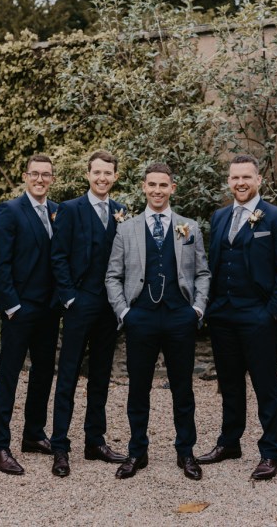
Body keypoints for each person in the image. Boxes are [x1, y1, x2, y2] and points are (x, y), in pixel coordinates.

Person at [197, 153, 277, 480]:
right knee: (229, 383)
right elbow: (214, 264)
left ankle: (271, 452)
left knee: (265, 384)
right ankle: (230, 442)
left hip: (258, 315)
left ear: (258, 180)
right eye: (234, 178)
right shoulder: (218, 217)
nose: (240, 183)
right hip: (223, 316)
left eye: (246, 177)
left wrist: (271, 313)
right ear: (229, 181)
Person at [105, 162, 211, 480]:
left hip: (180, 316)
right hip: (141, 318)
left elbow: (203, 273)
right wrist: (125, 312)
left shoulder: (189, 227)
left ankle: (186, 452)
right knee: (138, 389)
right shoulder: (126, 229)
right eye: (152, 184)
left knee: (183, 389)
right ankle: (137, 452)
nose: (157, 190)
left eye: (163, 185)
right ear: (143, 187)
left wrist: (196, 309)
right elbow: (113, 276)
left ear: (172, 188)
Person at [50, 150, 127, 477]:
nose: (102, 178)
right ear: (88, 174)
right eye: (97, 172)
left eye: (107, 173)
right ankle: (60, 446)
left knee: (100, 375)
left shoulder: (121, 211)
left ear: (115, 177)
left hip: (109, 308)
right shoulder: (69, 209)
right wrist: (69, 298)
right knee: (67, 376)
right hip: (79, 305)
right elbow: (58, 257)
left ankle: (95, 441)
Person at [0, 154, 60, 475]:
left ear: (52, 179)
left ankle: (33, 434)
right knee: (9, 375)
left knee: (44, 373)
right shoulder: (10, 211)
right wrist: (12, 305)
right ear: (25, 176)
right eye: (35, 174)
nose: (40, 179)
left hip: (48, 310)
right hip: (19, 309)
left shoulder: (58, 210)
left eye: (46, 175)